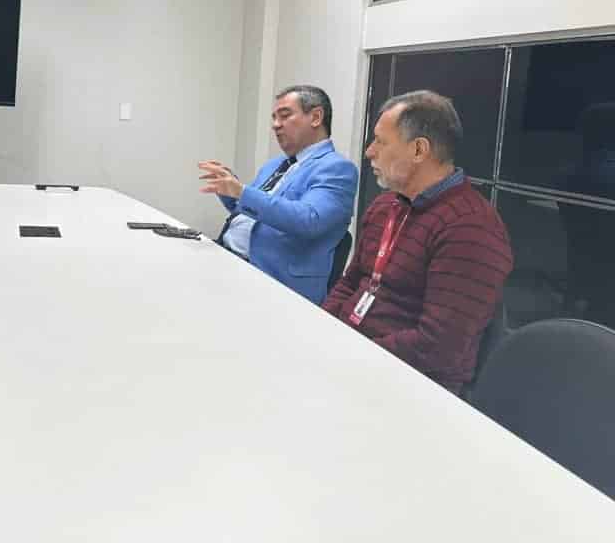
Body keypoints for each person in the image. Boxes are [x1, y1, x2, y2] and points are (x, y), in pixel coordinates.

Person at [322, 90, 513, 394]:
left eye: (380, 142)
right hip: (354, 359)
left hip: (412, 386)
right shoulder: (386, 206)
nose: (369, 151)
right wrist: (322, 328)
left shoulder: (471, 227)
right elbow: (351, 282)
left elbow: (440, 347)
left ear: (419, 150)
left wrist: (352, 356)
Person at [199, 85, 358, 304]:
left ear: (315, 117)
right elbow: (251, 212)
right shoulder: (275, 164)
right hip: (227, 256)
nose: (275, 125)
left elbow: (309, 220)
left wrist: (242, 192)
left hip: (273, 280)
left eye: (284, 115)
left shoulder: (337, 168)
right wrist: (229, 190)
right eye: (274, 118)